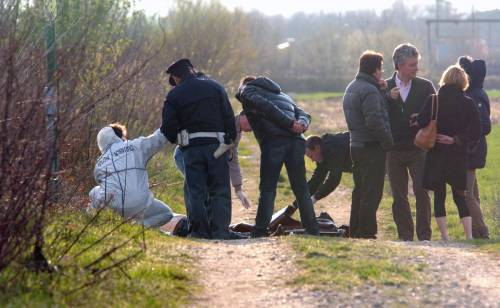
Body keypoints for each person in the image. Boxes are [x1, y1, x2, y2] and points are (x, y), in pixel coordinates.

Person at [161, 58, 242, 239]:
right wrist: (229, 141)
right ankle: (221, 231)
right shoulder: (215, 87)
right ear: (193, 70)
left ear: (175, 77)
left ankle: (199, 232)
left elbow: (167, 127)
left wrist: (178, 139)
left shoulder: (174, 96)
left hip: (191, 148)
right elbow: (229, 117)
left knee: (195, 191)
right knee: (219, 189)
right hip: (217, 146)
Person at [236, 75, 319, 237]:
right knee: (301, 189)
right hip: (296, 142)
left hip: (274, 142)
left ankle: (260, 230)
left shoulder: (248, 89)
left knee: (267, 189)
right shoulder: (282, 95)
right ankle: (313, 230)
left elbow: (266, 107)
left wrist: (289, 123)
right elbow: (304, 114)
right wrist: (301, 124)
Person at [416, 65, 481, 241]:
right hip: (457, 155)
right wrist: (456, 140)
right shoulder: (468, 103)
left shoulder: (433, 100)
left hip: (436, 153)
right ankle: (468, 236)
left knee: (439, 196)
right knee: (460, 195)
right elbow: (477, 129)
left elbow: (421, 121)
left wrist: (416, 120)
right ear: (463, 81)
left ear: (445, 79)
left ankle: (445, 237)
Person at [385, 43, 436, 241]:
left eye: (417, 64)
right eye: (412, 64)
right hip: (393, 150)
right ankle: (405, 236)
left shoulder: (426, 87)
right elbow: (377, 113)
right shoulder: (384, 87)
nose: (416, 68)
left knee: (422, 192)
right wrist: (387, 98)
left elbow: (436, 112)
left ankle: (424, 237)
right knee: (399, 197)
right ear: (399, 65)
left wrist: (422, 118)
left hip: (419, 149)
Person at [343, 50, 393, 239]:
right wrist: (388, 142)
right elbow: (375, 121)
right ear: (374, 70)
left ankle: (355, 229)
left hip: (355, 144)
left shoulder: (352, 86)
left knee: (360, 190)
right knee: (372, 191)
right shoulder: (369, 90)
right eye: (381, 69)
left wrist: (382, 91)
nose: (382, 73)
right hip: (371, 146)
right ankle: (366, 232)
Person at [89, 123, 174, 228]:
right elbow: (157, 139)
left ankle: (90, 219)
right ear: (119, 137)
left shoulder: (99, 164)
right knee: (166, 213)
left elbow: (103, 187)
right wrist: (170, 122)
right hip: (140, 204)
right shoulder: (134, 146)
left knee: (93, 192)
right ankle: (138, 226)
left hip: (115, 207)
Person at [174, 111, 253, 210]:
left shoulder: (235, 133)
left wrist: (238, 189)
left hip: (200, 159)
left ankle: (205, 221)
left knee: (206, 190)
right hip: (186, 155)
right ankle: (196, 222)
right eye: (250, 120)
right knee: (199, 190)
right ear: (242, 115)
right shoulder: (225, 123)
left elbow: (232, 159)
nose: (251, 127)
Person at [459, 56, 491, 239]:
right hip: (473, 149)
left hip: (472, 150)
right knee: (473, 193)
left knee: (467, 194)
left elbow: (484, 126)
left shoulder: (475, 96)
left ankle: (483, 231)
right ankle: (478, 233)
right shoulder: (476, 93)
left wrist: (466, 138)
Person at [304, 132, 352, 204]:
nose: (312, 160)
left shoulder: (333, 149)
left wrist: (315, 197)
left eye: (311, 156)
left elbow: (333, 179)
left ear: (317, 148)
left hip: (371, 156)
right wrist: (298, 200)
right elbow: (317, 180)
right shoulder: (322, 153)